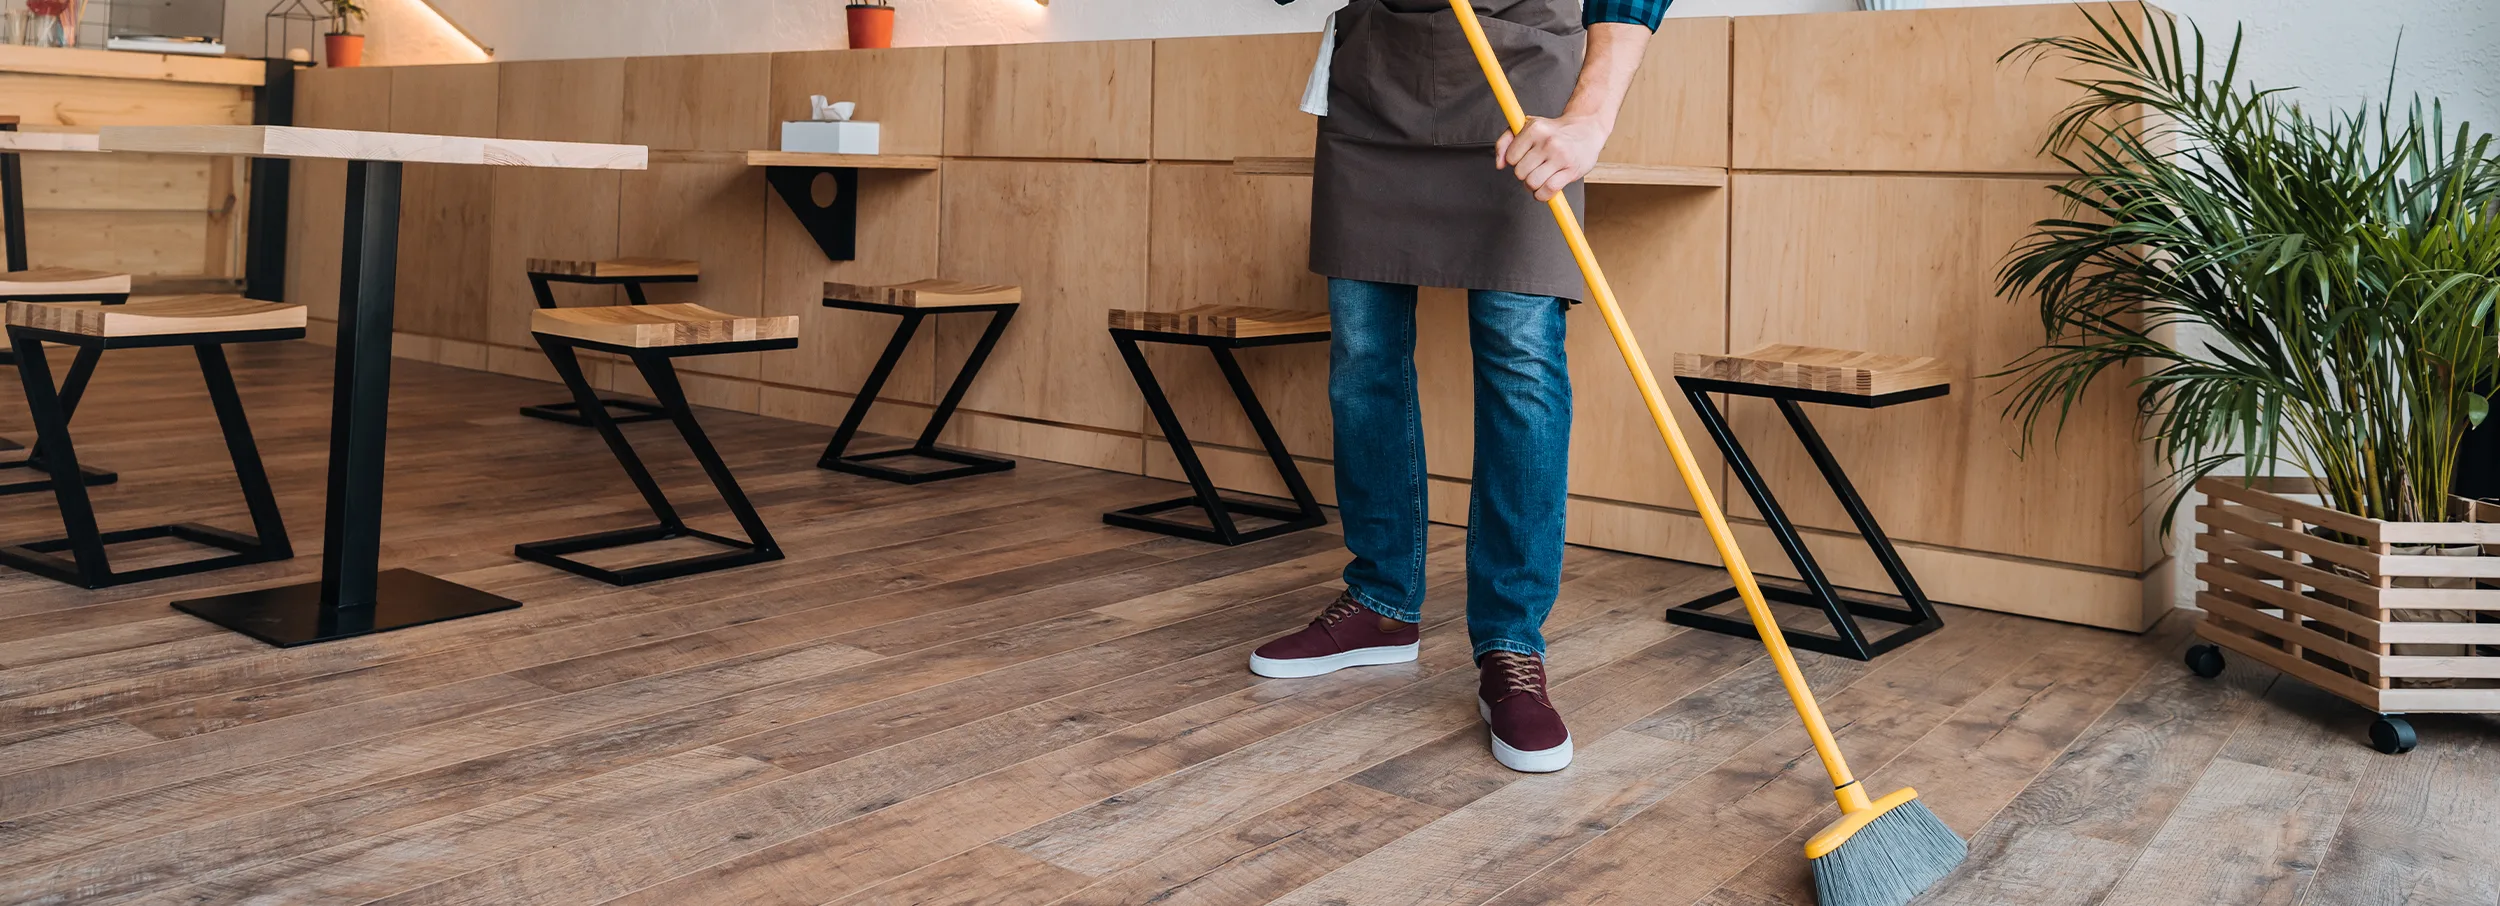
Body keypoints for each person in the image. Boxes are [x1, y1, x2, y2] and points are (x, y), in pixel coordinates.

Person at [1248, 0, 1668, 774]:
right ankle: (1380, 605)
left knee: (1520, 360)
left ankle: (1511, 642)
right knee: (1363, 354)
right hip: (1375, 83)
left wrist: (1590, 118)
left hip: (1527, 86)